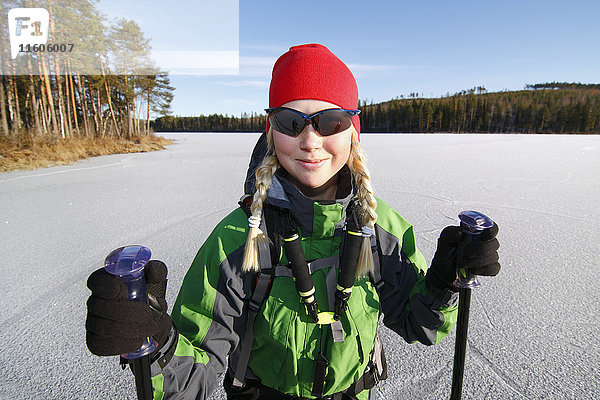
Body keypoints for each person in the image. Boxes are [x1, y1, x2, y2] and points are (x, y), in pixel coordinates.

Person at [86, 43, 500, 400]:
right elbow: (197, 376)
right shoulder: (240, 239)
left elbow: (419, 324)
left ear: (353, 130)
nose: (310, 140)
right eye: (290, 121)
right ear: (271, 131)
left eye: (330, 121)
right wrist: (156, 342)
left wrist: (445, 281)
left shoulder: (380, 228)